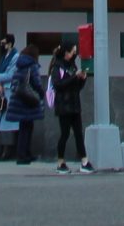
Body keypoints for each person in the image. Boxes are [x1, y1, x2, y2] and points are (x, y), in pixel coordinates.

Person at [2, 40, 46, 166]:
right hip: (29, 101)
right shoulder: (32, 66)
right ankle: (23, 155)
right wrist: (41, 93)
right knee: (27, 128)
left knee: (23, 128)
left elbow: (15, 82)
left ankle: (23, 154)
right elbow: (36, 83)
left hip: (19, 99)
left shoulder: (19, 65)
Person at [49, 43, 88, 173]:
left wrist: (82, 79)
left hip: (75, 104)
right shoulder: (57, 67)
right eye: (73, 52)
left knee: (78, 134)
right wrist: (73, 77)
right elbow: (58, 85)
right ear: (66, 53)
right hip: (63, 106)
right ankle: (60, 162)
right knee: (65, 134)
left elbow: (76, 87)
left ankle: (84, 161)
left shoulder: (72, 66)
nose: (74, 54)